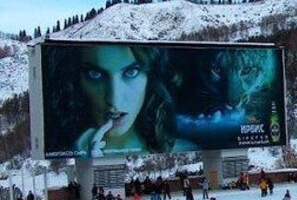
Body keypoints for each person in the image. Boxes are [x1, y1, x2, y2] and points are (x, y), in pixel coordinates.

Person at [45, 45, 193, 158]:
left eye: (131, 73)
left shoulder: (183, 149)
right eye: (95, 75)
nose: (114, 100)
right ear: (74, 80)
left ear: (150, 76)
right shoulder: (67, 150)